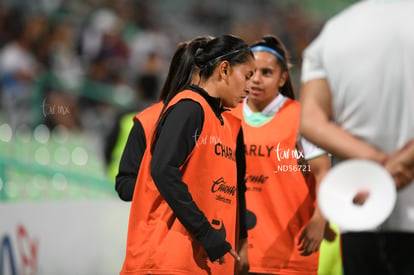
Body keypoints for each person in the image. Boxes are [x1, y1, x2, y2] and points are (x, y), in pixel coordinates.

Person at [120, 34, 255, 275]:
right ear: (224, 70)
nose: (249, 87)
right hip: (166, 260)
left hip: (196, 260)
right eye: (246, 76)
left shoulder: (222, 121)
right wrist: (206, 233)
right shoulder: (190, 108)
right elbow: (162, 170)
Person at [299, 1, 414, 274]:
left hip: (362, 212)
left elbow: (311, 120)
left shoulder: (334, 31)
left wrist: (377, 163)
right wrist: (401, 163)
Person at [229, 34, 331, 275]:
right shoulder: (227, 114)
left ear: (282, 77)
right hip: (231, 250)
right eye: (251, 72)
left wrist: (319, 220)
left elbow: (323, 172)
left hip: (287, 253)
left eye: (266, 73)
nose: (256, 80)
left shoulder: (301, 118)